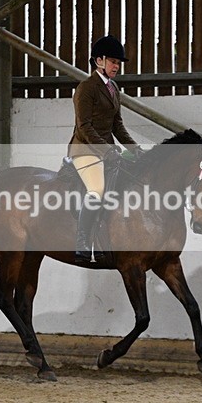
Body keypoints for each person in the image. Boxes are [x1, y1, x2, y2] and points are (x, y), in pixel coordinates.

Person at [67, 34, 142, 263]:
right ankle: (82, 240)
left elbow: (117, 125)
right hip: (84, 149)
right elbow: (84, 126)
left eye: (118, 63)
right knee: (97, 190)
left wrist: (134, 148)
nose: (117, 66)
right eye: (113, 61)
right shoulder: (86, 88)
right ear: (98, 61)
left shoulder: (113, 88)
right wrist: (106, 150)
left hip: (106, 151)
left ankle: (101, 240)